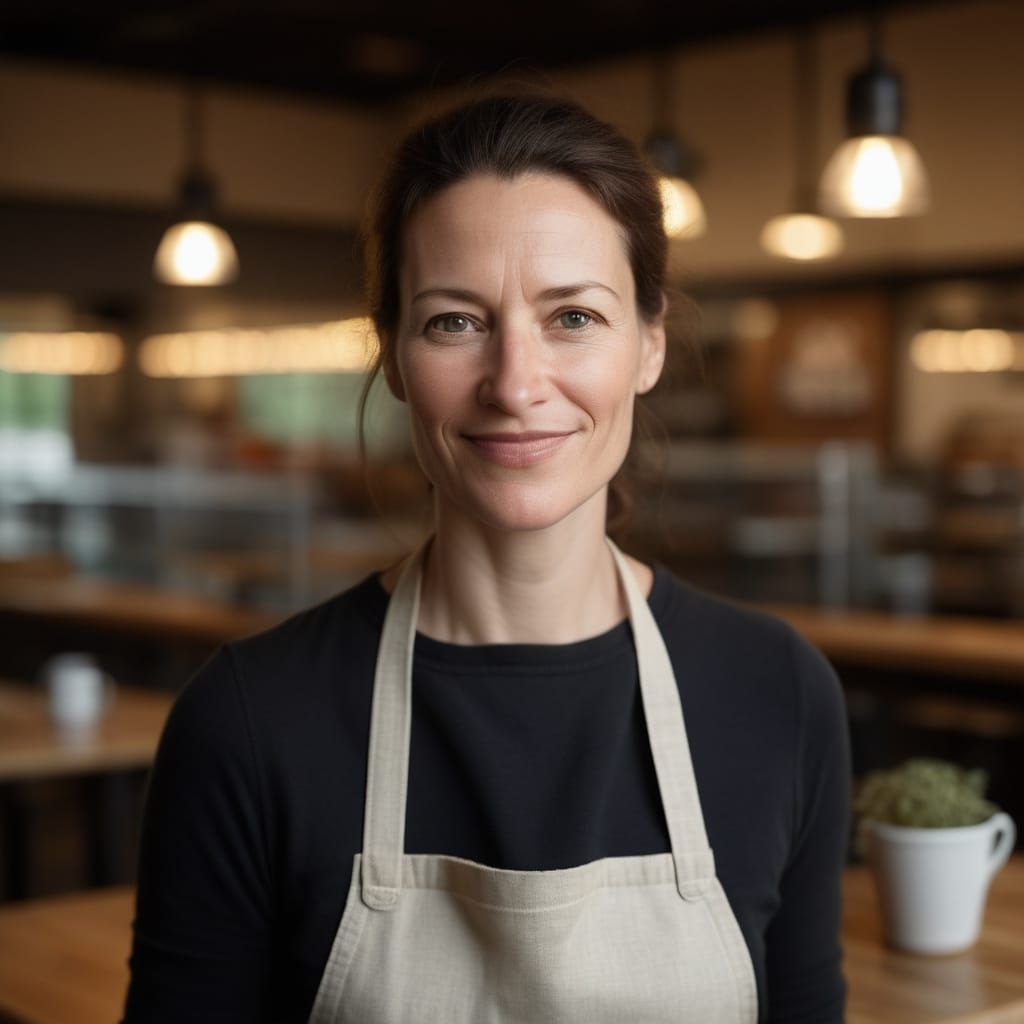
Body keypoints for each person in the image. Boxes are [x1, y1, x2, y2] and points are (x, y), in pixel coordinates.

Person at [122, 92, 851, 1024]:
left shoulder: (778, 692)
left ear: (650, 344)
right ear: (391, 355)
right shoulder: (247, 724)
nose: (514, 384)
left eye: (574, 317)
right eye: (453, 322)